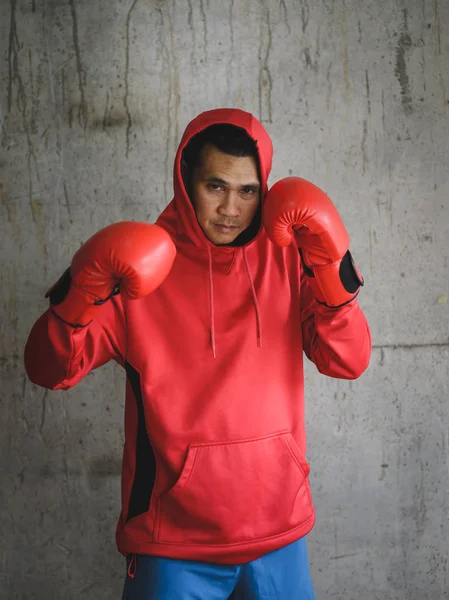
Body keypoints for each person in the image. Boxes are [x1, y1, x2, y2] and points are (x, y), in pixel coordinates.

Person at [24, 108, 371, 599]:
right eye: (216, 186)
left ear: (264, 189)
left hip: (279, 531)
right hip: (172, 543)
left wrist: (333, 270)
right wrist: (81, 292)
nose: (231, 208)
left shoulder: (290, 254)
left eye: (248, 191)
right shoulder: (140, 265)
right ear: (186, 181)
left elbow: (348, 360)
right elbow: (48, 369)